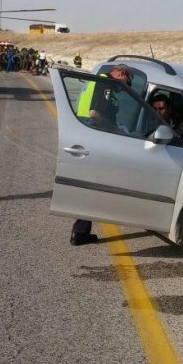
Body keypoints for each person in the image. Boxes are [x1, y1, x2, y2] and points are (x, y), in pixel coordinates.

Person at [70, 65, 133, 245]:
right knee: (93, 186)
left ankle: (81, 230)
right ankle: (80, 231)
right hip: (93, 137)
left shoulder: (99, 81)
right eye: (126, 84)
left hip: (86, 135)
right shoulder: (104, 82)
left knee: (91, 186)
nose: (124, 89)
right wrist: (116, 131)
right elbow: (95, 113)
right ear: (121, 74)